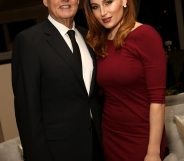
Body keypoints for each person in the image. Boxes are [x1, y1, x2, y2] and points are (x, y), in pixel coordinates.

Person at [11, 0, 103, 161]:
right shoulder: (29, 41)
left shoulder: (89, 37)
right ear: (45, 1)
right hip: (58, 152)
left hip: (98, 145)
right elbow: (27, 110)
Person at [84, 0, 167, 161]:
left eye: (108, 2)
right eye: (95, 7)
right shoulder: (98, 42)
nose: (103, 12)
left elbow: (158, 100)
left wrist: (153, 152)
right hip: (111, 136)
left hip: (143, 135)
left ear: (124, 1)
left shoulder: (145, 35)